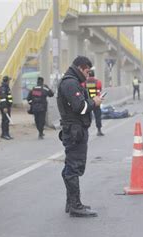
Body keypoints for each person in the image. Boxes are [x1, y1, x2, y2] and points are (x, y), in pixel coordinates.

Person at [57, 56, 102, 217]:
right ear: (81, 67)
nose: (88, 75)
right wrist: (94, 102)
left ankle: (71, 203)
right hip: (75, 130)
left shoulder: (72, 81)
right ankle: (75, 206)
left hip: (75, 129)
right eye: (87, 71)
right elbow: (80, 107)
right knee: (73, 167)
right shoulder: (70, 83)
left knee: (72, 166)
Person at [84, 70, 104, 136]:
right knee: (98, 116)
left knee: (87, 117)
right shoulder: (98, 82)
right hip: (96, 101)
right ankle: (99, 130)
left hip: (88, 102)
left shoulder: (84, 82)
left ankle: (85, 131)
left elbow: (82, 90)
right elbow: (100, 89)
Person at [0, 76, 13, 140]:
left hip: (7, 106)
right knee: (5, 121)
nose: (9, 81)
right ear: (6, 81)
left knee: (6, 120)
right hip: (4, 106)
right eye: (9, 80)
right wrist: (5, 107)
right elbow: (3, 98)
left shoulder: (6, 87)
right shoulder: (3, 88)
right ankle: (4, 134)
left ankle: (6, 133)